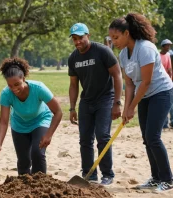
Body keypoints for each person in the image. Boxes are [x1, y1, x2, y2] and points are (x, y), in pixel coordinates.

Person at [109, 13, 173, 192]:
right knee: (146, 138)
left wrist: (132, 107)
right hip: (143, 94)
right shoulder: (123, 55)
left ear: (127, 33)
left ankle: (167, 179)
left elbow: (146, 82)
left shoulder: (145, 48)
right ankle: (155, 177)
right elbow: (129, 84)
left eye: (116, 37)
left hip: (161, 92)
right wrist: (126, 108)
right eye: (111, 38)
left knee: (153, 136)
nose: (114, 41)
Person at [68, 23, 123, 185]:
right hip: (86, 101)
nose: (78, 42)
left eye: (80, 38)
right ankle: (89, 174)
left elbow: (117, 75)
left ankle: (107, 174)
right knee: (85, 139)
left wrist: (117, 103)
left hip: (105, 99)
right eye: (74, 39)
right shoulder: (73, 58)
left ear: (88, 36)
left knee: (103, 137)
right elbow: (73, 84)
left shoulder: (102, 51)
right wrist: (72, 107)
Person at [0, 58, 62, 175]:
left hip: (40, 120)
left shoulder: (38, 88)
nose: (14, 89)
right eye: (10, 85)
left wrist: (49, 135)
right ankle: (24, 190)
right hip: (19, 125)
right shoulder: (6, 94)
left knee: (37, 153)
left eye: (17, 84)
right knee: (23, 161)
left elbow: (58, 111)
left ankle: (40, 186)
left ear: (23, 78)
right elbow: (3, 122)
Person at [160, 39, 173, 129]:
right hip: (159, 82)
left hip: (167, 81)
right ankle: (164, 124)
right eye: (167, 45)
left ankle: (172, 122)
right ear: (163, 46)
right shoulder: (158, 55)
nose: (168, 47)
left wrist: (170, 79)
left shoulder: (168, 55)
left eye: (169, 45)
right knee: (162, 104)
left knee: (170, 103)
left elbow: (169, 69)